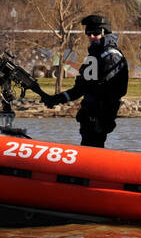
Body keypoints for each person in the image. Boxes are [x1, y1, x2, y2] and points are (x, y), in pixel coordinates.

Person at [38, 14, 128, 147]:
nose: (91, 37)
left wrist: (103, 121)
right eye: (88, 33)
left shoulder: (111, 56)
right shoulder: (94, 56)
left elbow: (113, 92)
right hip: (88, 119)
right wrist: (57, 99)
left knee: (95, 151)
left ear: (105, 33)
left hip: (98, 120)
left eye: (96, 33)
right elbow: (81, 88)